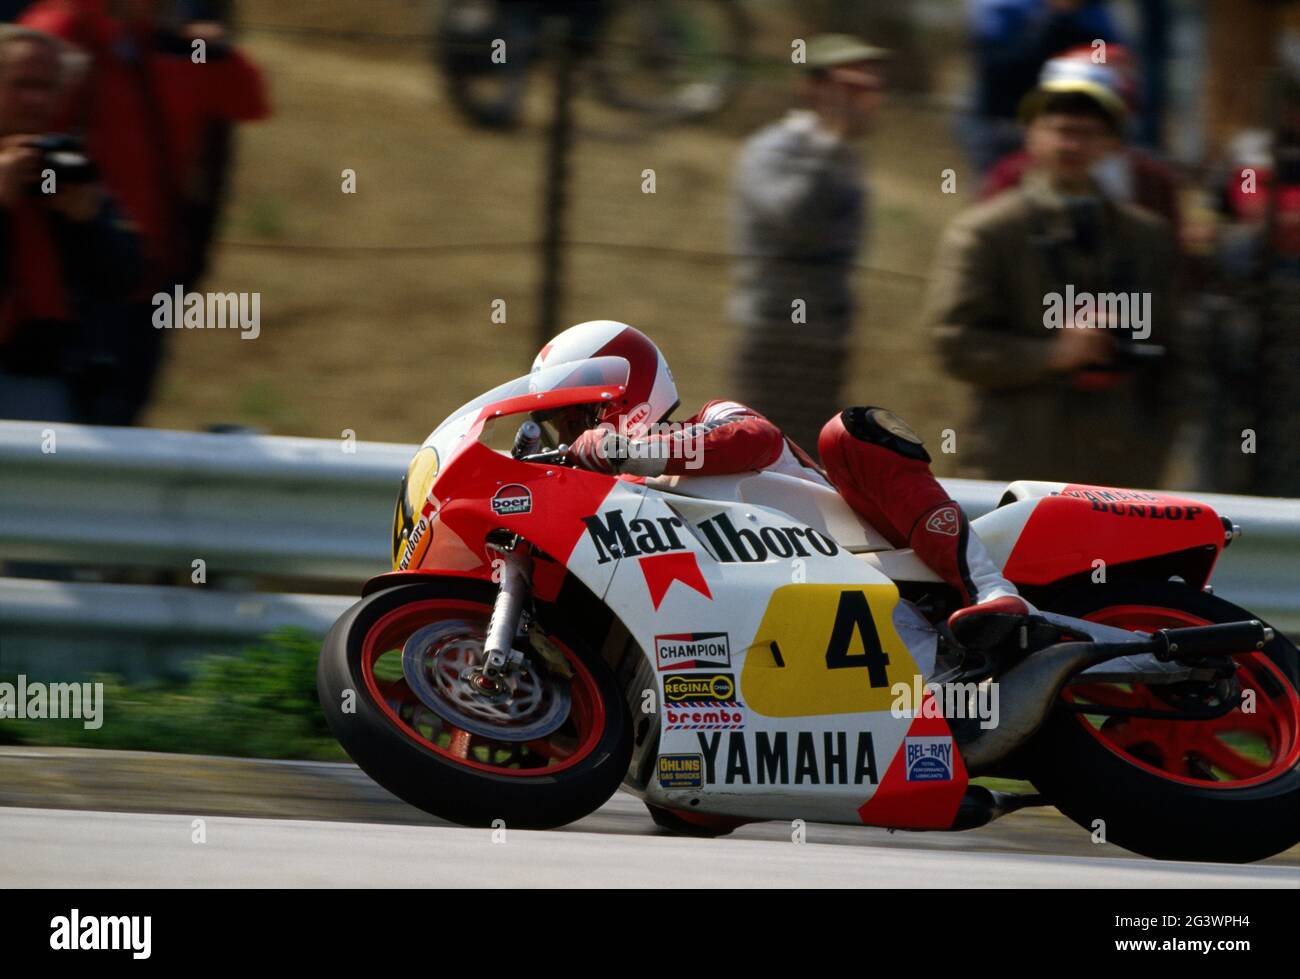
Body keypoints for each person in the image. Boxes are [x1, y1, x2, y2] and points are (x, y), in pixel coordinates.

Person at [533, 320, 1031, 639]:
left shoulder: (715, 416)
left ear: (619, 398)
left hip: (878, 565)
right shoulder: (624, 498)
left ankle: (989, 589)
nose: (574, 439)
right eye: (563, 429)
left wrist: (631, 450)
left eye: (577, 420)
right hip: (783, 626)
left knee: (849, 432)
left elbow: (754, 437)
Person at [20, 0, 269, 423]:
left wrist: (215, 49)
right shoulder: (62, 28)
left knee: (119, 421)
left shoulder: (165, 49)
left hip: (147, 281)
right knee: (55, 425)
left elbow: (248, 99)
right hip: (63, 284)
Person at [927, 71, 1178, 487]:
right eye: (1060, 130)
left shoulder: (1145, 236)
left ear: (1112, 145)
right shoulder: (987, 232)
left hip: (1122, 470)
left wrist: (1156, 442)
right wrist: (1052, 354)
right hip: (1016, 466)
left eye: (1088, 133)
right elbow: (954, 341)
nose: (1072, 145)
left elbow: (1175, 355)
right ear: (1031, 136)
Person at [729, 34, 886, 454]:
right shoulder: (773, 149)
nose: (866, 101)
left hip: (826, 337)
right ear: (814, 89)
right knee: (758, 457)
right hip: (778, 334)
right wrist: (828, 141)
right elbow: (792, 222)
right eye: (851, 87)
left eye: (871, 88)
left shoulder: (846, 157)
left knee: (810, 464)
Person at [0, 24, 137, 421]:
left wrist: (89, 223)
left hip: (47, 377)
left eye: (46, 88)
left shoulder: (63, 165)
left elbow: (123, 277)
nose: (34, 100)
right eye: (20, 85)